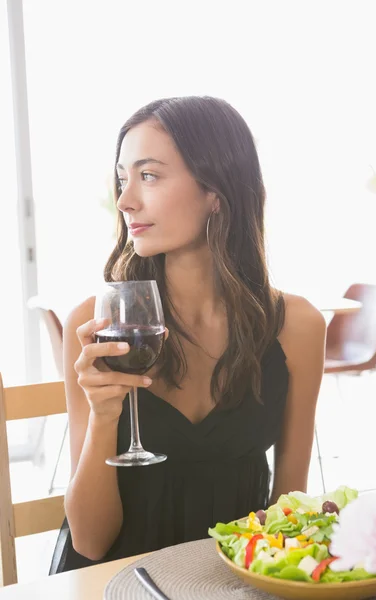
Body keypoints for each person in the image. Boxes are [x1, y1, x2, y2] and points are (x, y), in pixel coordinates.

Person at [50, 96, 326, 574]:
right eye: (123, 178)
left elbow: (289, 510)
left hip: (235, 580)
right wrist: (102, 418)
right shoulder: (96, 323)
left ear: (216, 192)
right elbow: (91, 543)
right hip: (118, 582)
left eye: (149, 176)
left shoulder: (297, 327)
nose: (124, 200)